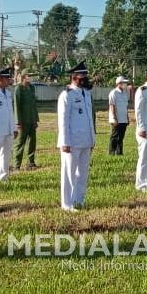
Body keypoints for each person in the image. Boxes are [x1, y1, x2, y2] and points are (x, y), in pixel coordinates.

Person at [58, 61, 96, 211]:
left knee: (82, 173)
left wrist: (92, 138)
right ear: (74, 77)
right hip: (72, 141)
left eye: (85, 76)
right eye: (81, 77)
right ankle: (67, 204)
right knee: (69, 173)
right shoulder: (66, 95)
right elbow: (63, 120)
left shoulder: (86, 94)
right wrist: (64, 141)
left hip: (85, 140)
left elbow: (89, 119)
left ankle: (79, 200)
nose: (84, 79)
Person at [13, 71, 39, 170]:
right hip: (23, 121)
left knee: (32, 142)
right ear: (24, 77)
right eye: (30, 76)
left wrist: (36, 119)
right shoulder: (19, 89)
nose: (31, 78)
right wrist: (18, 122)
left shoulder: (32, 88)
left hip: (31, 120)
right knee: (20, 143)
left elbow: (33, 105)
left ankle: (31, 162)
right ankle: (16, 165)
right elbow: (16, 106)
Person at [108, 76, 130, 155]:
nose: (125, 84)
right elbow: (112, 106)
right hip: (116, 119)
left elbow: (125, 107)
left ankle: (119, 152)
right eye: (124, 83)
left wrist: (127, 117)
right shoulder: (113, 93)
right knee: (114, 136)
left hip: (123, 119)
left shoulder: (125, 93)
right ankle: (111, 152)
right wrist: (114, 118)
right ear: (119, 83)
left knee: (121, 137)